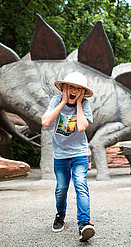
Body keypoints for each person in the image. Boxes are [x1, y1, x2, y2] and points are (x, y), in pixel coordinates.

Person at [41, 71, 95, 241]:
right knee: (61, 189)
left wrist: (78, 104)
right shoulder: (56, 101)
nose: (74, 90)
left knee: (80, 184)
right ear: (64, 88)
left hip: (79, 153)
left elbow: (81, 127)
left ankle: (84, 224)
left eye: (79, 89)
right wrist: (63, 101)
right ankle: (60, 215)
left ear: (83, 92)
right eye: (71, 86)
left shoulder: (85, 105)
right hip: (61, 154)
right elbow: (46, 122)